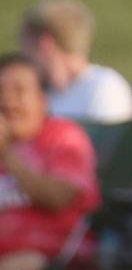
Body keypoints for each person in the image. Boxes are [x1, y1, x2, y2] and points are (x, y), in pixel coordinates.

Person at [0, 53, 100, 270]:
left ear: (43, 99)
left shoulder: (64, 137)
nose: (7, 101)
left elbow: (59, 198)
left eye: (18, 91)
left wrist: (6, 153)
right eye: (0, 92)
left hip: (53, 258)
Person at [19, 0, 132, 125]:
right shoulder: (42, 95)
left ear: (45, 43)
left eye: (26, 44)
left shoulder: (105, 89)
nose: (23, 54)